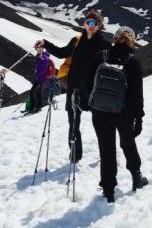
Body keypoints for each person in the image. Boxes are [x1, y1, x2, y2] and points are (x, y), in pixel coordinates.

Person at [39, 10, 111, 163]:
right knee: (73, 123)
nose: (91, 26)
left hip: (93, 90)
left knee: (100, 123)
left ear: (99, 26)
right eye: (88, 22)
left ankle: (106, 153)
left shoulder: (104, 44)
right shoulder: (76, 41)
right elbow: (61, 52)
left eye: (95, 23)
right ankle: (75, 154)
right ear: (84, 24)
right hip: (74, 88)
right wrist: (46, 44)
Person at [85, 26, 148, 203]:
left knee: (106, 150)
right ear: (132, 42)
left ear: (114, 39)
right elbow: (137, 95)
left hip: (100, 113)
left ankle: (108, 189)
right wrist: (139, 118)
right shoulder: (132, 62)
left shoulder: (101, 57)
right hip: (124, 113)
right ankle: (136, 177)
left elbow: (86, 82)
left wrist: (93, 104)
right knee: (128, 143)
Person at [28, 44, 53, 113]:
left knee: (32, 92)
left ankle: (32, 108)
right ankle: (37, 107)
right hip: (40, 78)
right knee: (38, 93)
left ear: (41, 48)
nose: (36, 49)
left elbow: (43, 69)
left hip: (40, 79)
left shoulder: (44, 57)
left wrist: (38, 77)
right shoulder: (41, 56)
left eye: (37, 48)